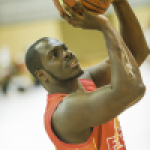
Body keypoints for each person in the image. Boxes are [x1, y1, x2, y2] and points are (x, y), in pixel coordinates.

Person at [25, 0, 149, 149]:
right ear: (41, 75)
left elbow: (136, 54)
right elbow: (133, 89)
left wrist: (120, 3)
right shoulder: (65, 112)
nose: (66, 54)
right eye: (54, 55)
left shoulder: (85, 81)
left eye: (64, 48)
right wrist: (104, 25)